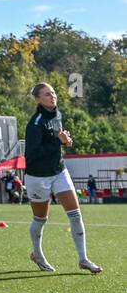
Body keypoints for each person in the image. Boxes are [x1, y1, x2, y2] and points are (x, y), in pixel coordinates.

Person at [25, 83, 101, 273]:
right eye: (47, 94)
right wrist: (57, 142)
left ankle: (83, 259)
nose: (53, 96)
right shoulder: (35, 123)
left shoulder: (58, 115)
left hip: (59, 171)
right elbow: (32, 154)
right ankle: (37, 255)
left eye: (54, 93)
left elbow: (58, 140)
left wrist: (66, 142)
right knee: (40, 219)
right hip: (38, 176)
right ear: (38, 99)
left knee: (75, 214)